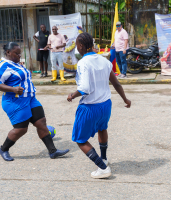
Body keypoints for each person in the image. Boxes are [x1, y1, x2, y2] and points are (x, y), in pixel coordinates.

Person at [67, 33, 131, 179]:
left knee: (80, 139)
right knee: (102, 128)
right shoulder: (104, 60)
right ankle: (103, 158)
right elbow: (116, 83)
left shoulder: (83, 62)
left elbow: (84, 88)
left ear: (81, 46)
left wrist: (72, 95)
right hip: (105, 105)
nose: (77, 47)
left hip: (90, 106)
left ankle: (103, 168)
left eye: (77, 45)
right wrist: (125, 100)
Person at [0, 42, 69, 162]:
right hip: (15, 100)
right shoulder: (3, 65)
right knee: (21, 129)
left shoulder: (16, 64)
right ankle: (4, 149)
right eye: (17, 53)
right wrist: (13, 89)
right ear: (8, 52)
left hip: (30, 98)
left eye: (20, 53)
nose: (19, 55)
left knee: (41, 122)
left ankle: (53, 151)